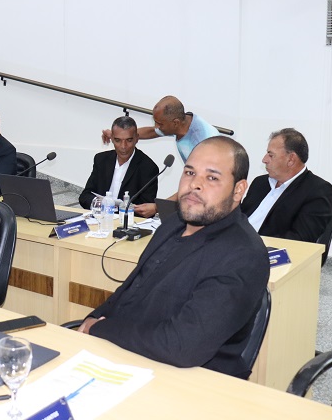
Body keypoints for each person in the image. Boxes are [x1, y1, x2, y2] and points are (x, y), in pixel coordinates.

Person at [78, 136, 269, 379]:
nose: (194, 184)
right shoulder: (173, 224)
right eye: (190, 172)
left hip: (191, 381)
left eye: (212, 178)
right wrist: (93, 318)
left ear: (238, 190)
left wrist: (101, 329)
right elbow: (129, 291)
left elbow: (183, 346)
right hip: (129, 356)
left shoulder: (243, 255)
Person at [103, 96, 219, 217]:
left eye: (159, 124)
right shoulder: (183, 122)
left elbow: (197, 184)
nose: (157, 127)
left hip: (214, 195)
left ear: (175, 123)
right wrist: (119, 135)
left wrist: (157, 207)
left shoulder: (202, 142)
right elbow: (152, 132)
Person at [241, 128, 332, 243]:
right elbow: (240, 218)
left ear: (291, 159)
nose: (264, 160)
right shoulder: (260, 183)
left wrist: (253, 245)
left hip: (264, 250)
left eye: (271, 155)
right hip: (233, 243)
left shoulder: (317, 190)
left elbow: (300, 239)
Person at [79, 116, 159, 209]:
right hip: (100, 214)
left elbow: (146, 209)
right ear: (112, 139)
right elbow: (85, 196)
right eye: (118, 140)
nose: (123, 146)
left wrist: (118, 209)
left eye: (129, 140)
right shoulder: (101, 159)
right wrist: (101, 204)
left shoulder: (148, 168)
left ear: (136, 138)